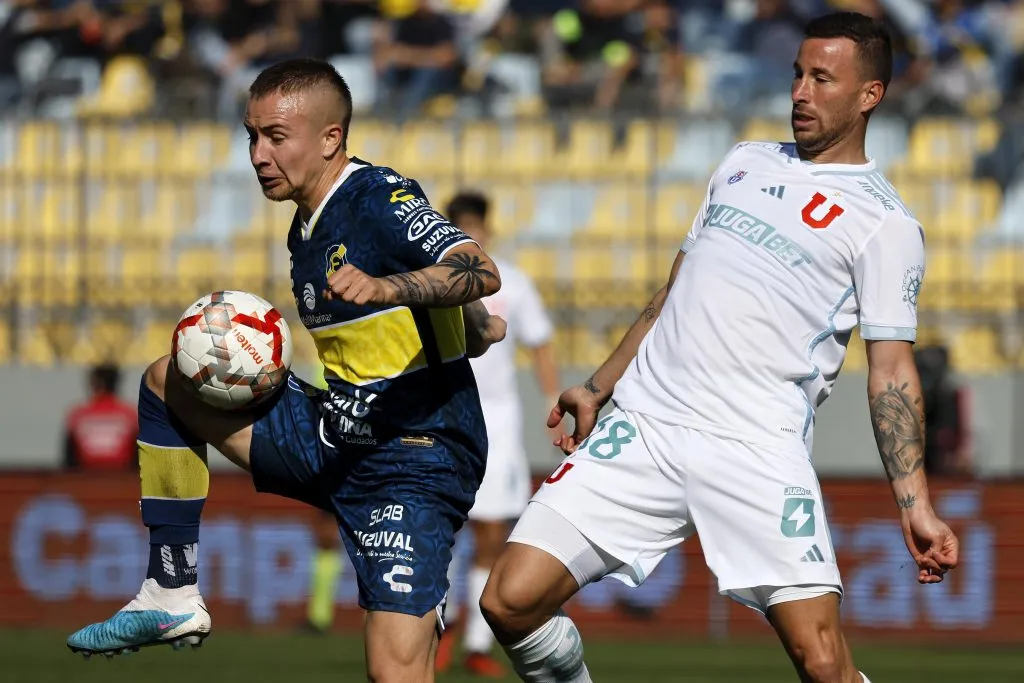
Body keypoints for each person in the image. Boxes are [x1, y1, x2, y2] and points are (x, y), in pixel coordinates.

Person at [479, 12, 960, 683]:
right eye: (798, 73)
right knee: (508, 599)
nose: (800, 91)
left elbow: (891, 369)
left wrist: (915, 504)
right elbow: (671, 292)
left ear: (869, 95)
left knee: (823, 662)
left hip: (756, 446)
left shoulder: (884, 224)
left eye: (823, 79)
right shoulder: (743, 162)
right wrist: (599, 384)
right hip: (647, 425)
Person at [66, 57, 507, 683]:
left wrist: (389, 289)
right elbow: (461, 310)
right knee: (169, 382)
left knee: (394, 671)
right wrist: (474, 326)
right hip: (337, 435)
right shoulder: (306, 228)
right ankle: (171, 592)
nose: (257, 154)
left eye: (276, 136)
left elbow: (480, 269)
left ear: (330, 138)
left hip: (415, 454)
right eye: (252, 134)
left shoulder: (378, 196)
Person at [437, 191, 560, 678]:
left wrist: (550, 397)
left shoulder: (513, 282)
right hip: (444, 411)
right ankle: (437, 631)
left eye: (476, 227)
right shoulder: (433, 281)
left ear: (488, 229)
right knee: (441, 528)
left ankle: (476, 643)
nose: (472, 235)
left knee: (491, 530)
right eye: (461, 227)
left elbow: (541, 342)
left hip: (498, 419)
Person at [63, 363, 138, 471]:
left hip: (85, 479)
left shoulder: (78, 414)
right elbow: (138, 456)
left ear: (95, 383)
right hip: (122, 479)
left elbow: (69, 458)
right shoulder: (130, 414)